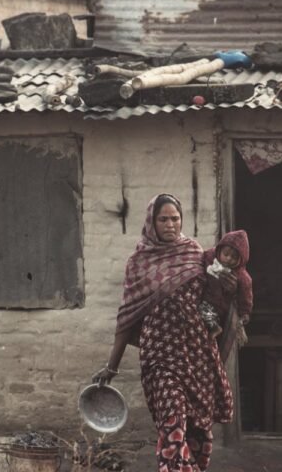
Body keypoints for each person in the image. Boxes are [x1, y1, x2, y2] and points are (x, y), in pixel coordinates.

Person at [92, 194, 235, 472]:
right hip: (160, 355)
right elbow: (126, 318)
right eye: (163, 219)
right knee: (173, 422)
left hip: (196, 353)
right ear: (151, 222)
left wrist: (229, 288)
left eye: (175, 218)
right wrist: (112, 367)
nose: (170, 224)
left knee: (199, 431)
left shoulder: (194, 252)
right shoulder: (139, 262)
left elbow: (214, 301)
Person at [199, 230, 253, 350]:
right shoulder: (210, 257)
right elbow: (200, 257)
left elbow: (246, 296)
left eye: (234, 257)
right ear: (219, 250)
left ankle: (215, 329)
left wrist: (245, 313)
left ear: (241, 259)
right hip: (205, 299)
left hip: (221, 307)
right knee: (202, 312)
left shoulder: (242, 276)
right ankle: (212, 328)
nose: (228, 259)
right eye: (226, 254)